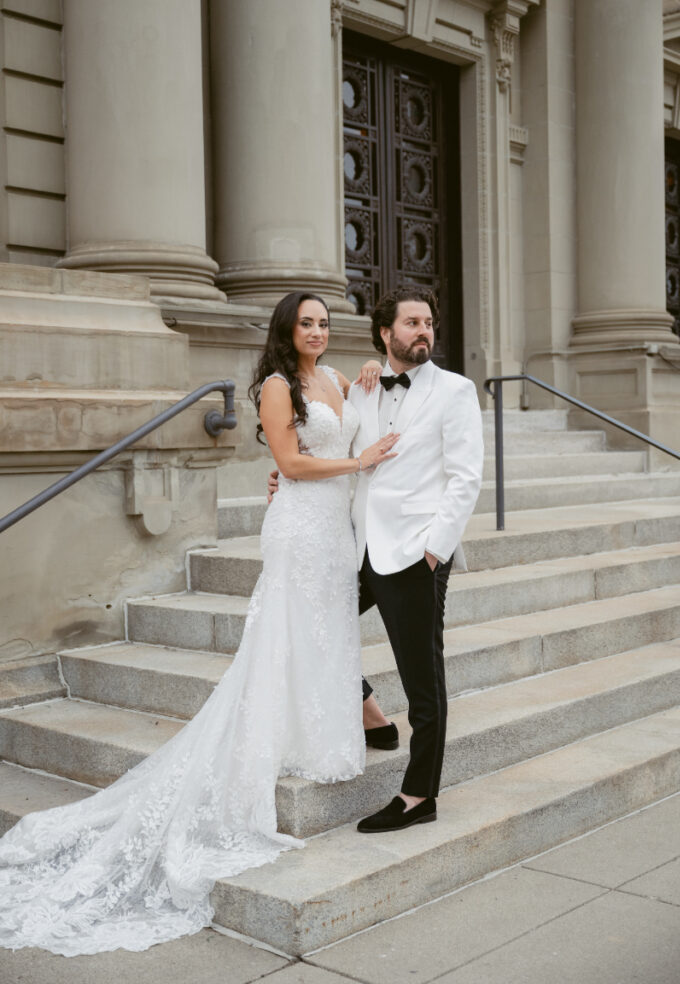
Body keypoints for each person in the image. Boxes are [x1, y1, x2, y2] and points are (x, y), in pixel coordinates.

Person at [0, 291, 398, 957]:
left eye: (325, 323)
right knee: (287, 636)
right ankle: (283, 735)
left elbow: (361, 422)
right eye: (307, 322)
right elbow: (291, 463)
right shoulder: (275, 386)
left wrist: (367, 380)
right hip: (300, 526)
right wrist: (356, 463)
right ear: (286, 329)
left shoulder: (334, 380)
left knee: (329, 635)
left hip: (336, 529)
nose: (318, 332)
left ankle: (327, 731)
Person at [270, 285, 483, 832]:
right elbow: (336, 453)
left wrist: (434, 551)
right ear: (386, 334)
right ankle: (370, 715)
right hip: (357, 546)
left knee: (422, 679)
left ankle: (418, 795)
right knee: (311, 623)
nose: (423, 331)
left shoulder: (456, 391)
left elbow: (466, 478)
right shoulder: (360, 389)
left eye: (428, 322)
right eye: (411, 323)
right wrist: (285, 474)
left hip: (415, 555)